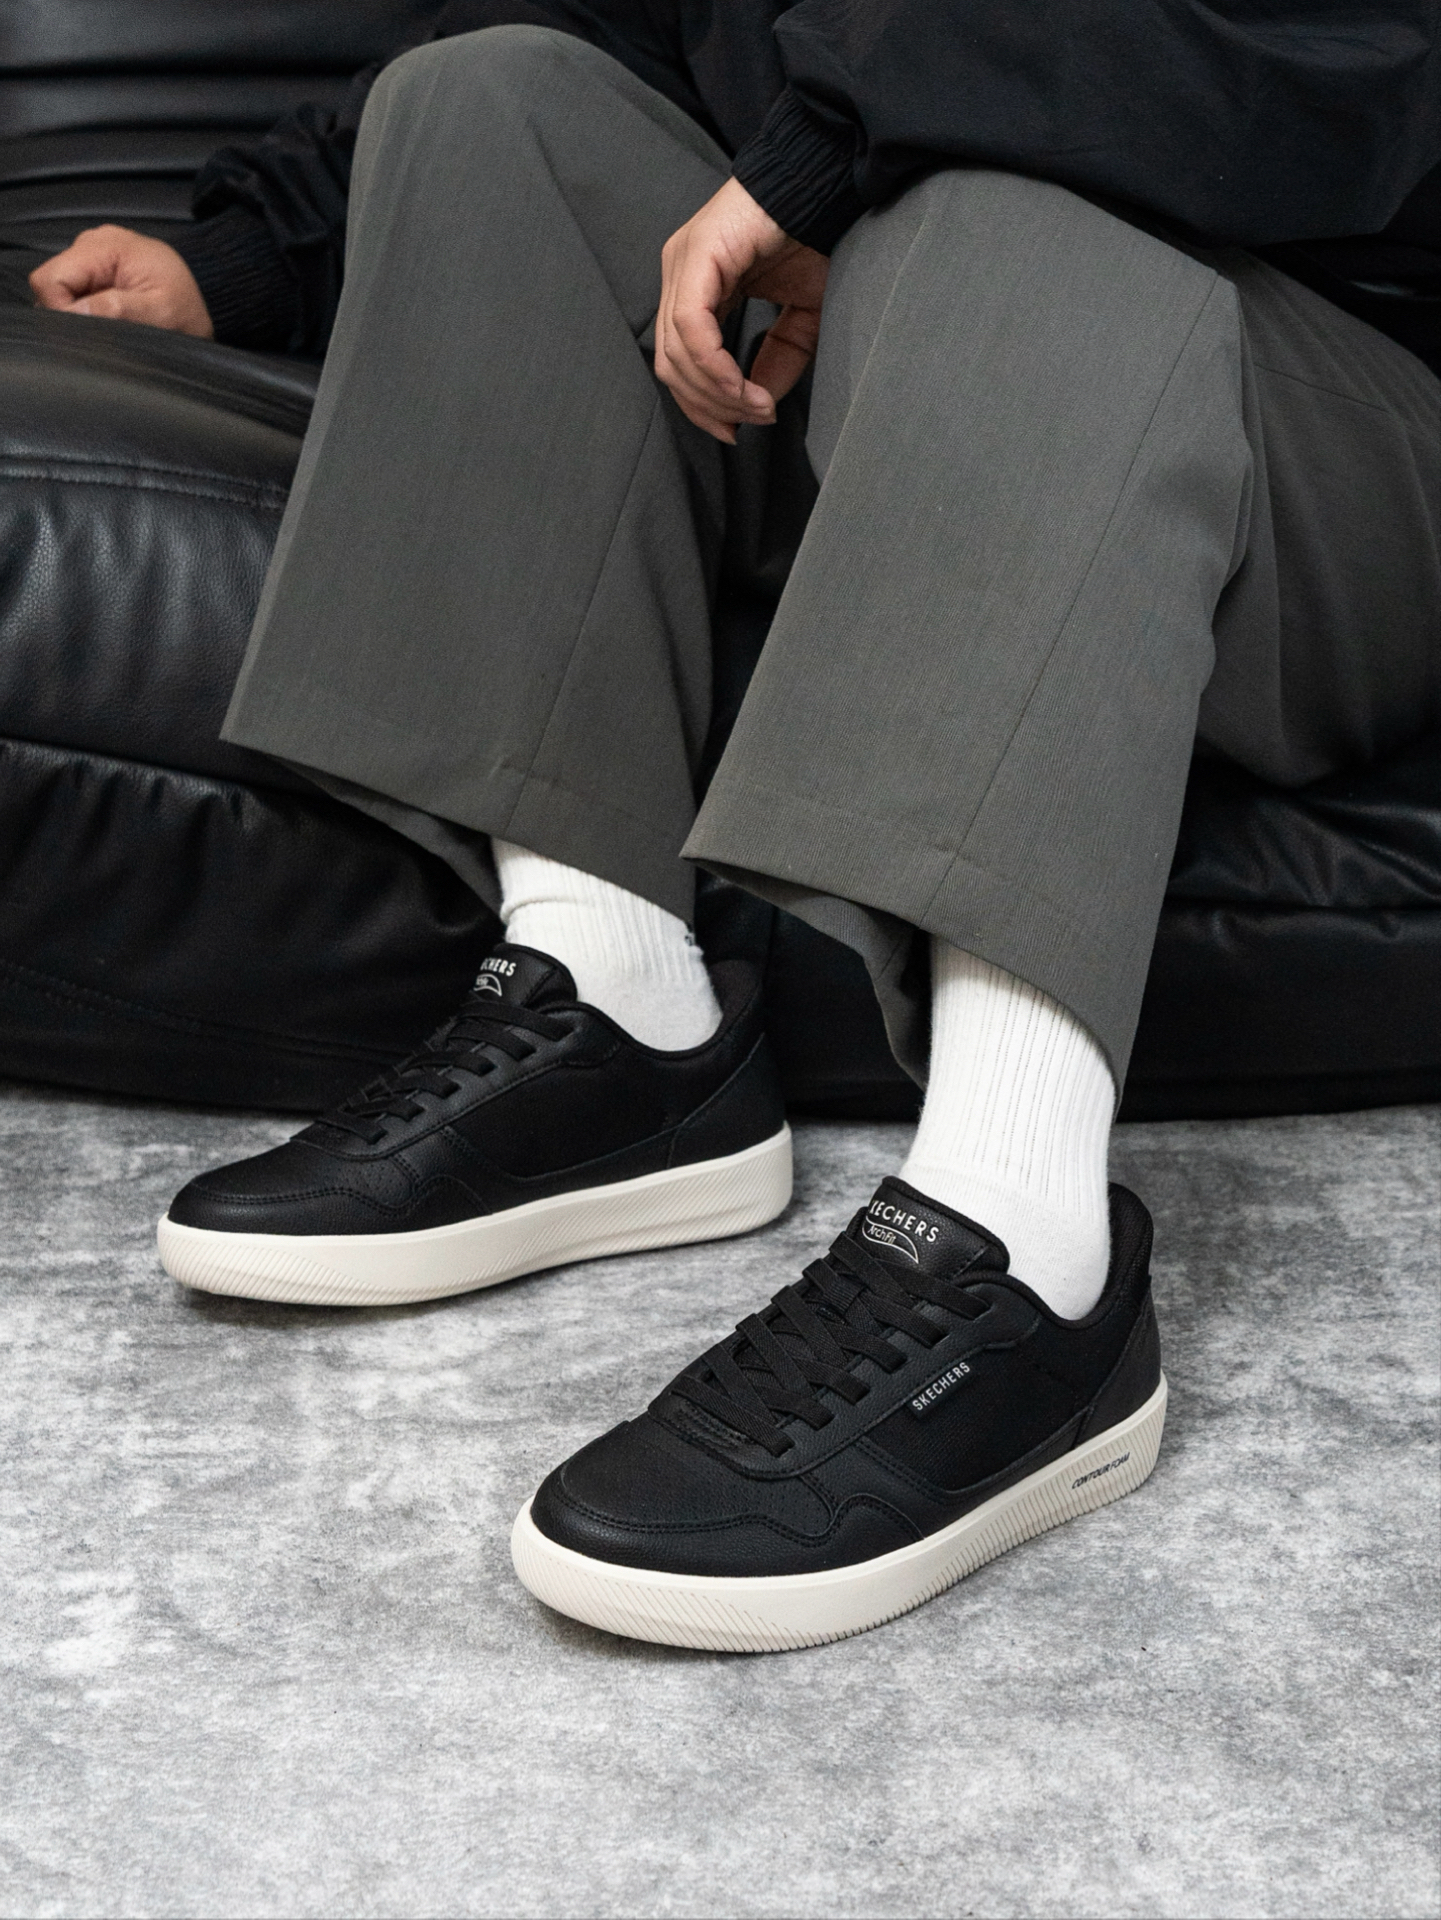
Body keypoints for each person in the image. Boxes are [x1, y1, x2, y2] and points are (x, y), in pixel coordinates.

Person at [29, 4, 1441, 1653]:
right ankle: (613, 1000)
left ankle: (1021, 1252)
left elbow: (1316, 71)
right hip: (893, 328)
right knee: (496, 102)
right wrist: (252, 255)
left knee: (1009, 215)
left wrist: (827, 152)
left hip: (1327, 431)